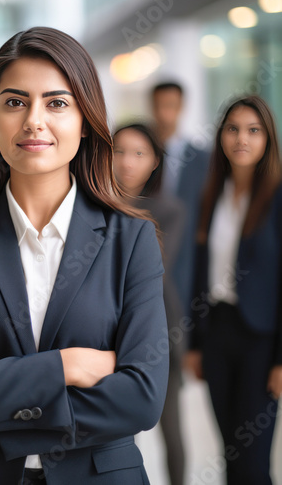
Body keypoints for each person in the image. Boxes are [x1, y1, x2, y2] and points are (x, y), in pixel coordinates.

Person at [0, 27, 168, 485]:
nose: (33, 121)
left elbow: (140, 398)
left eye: (57, 103)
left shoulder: (132, 240)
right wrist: (69, 366)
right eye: (15, 102)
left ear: (85, 119)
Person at [185, 95, 282, 484]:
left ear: (267, 139)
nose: (242, 138)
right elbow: (199, 271)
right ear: (222, 137)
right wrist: (194, 343)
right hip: (217, 333)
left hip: (262, 339)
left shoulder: (277, 197)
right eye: (233, 129)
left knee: (253, 463)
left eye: (253, 130)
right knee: (229, 454)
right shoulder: (211, 195)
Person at [113, 123, 186, 485]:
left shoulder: (168, 209)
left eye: (139, 153)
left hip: (159, 330)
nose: (127, 162)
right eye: (119, 151)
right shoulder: (92, 202)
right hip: (106, 333)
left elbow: (153, 269)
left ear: (155, 161)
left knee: (170, 427)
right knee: (119, 435)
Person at [151, 82, 209, 314]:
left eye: (171, 105)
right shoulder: (139, 155)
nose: (165, 112)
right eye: (160, 105)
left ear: (182, 107)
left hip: (186, 254)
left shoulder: (203, 159)